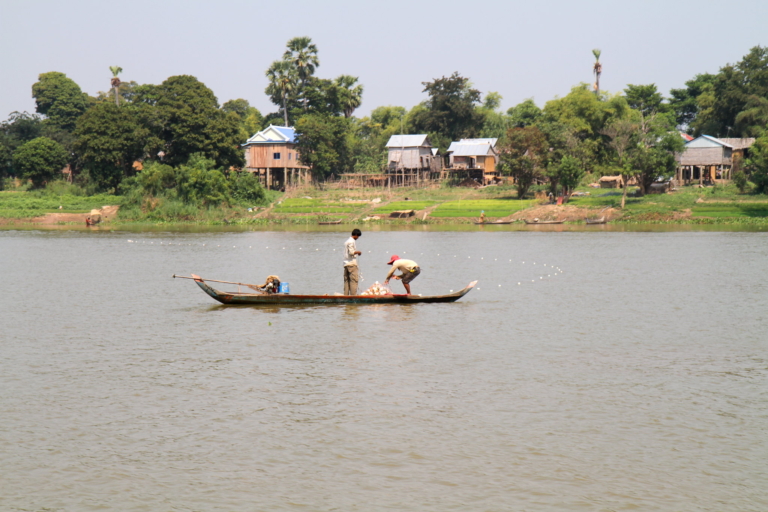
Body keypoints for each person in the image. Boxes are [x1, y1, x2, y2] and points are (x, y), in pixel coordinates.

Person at [344, 229, 362, 295]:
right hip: (351, 264)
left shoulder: (347, 241)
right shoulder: (351, 241)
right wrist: (358, 252)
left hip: (346, 263)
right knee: (353, 281)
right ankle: (353, 297)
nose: (358, 238)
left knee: (346, 281)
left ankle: (345, 296)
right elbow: (351, 252)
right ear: (356, 235)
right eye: (358, 236)